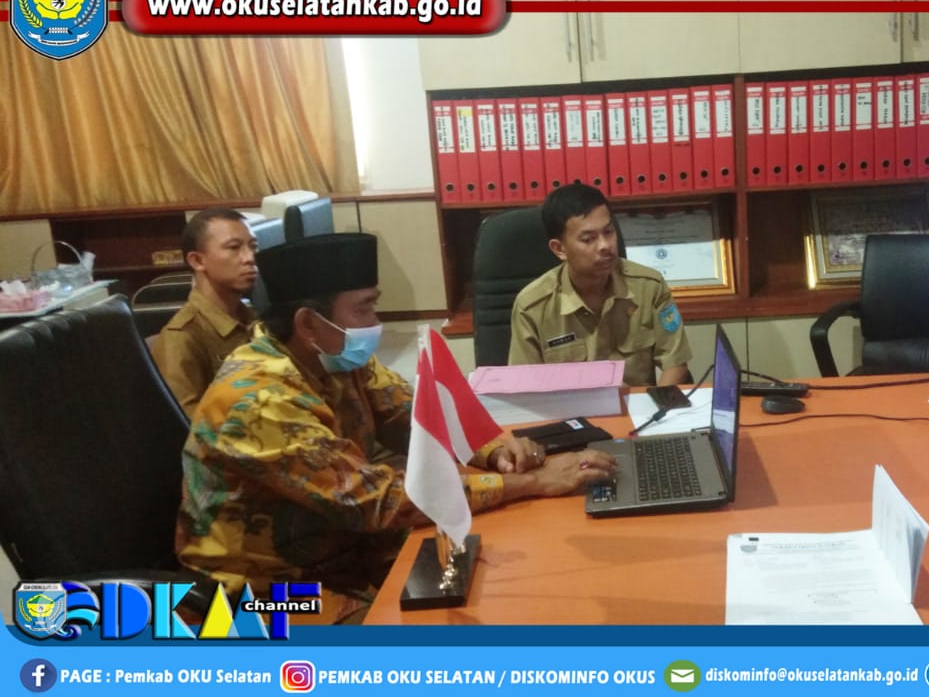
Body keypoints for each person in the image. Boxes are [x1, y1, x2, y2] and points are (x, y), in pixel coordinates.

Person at [176, 233, 616, 621]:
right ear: (308, 323)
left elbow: (415, 414)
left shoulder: (333, 358)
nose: (376, 324)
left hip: (343, 552)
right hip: (263, 595)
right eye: (365, 308)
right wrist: (534, 482)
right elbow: (378, 501)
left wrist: (495, 448)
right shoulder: (259, 400)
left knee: (511, 576)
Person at [509, 184, 692, 387]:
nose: (605, 245)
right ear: (559, 249)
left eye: (609, 231)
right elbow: (524, 386)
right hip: (569, 406)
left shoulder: (649, 286)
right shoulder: (532, 307)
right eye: (588, 239)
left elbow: (675, 363)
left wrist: (659, 404)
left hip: (636, 405)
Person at [151, 208, 259, 417]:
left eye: (253, 247)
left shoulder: (252, 318)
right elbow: (186, 425)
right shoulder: (183, 336)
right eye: (234, 247)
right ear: (197, 261)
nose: (250, 258)